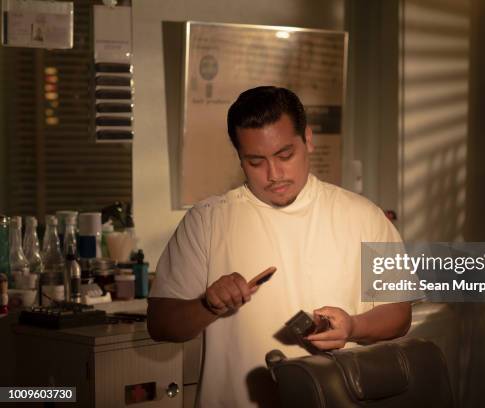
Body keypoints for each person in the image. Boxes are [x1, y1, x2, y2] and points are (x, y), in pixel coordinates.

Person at [147, 86, 419, 407]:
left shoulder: (363, 216)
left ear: (308, 138)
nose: (274, 174)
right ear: (239, 156)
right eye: (255, 161)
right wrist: (208, 305)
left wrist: (353, 326)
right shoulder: (208, 220)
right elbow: (161, 324)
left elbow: (400, 313)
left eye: (284, 155)